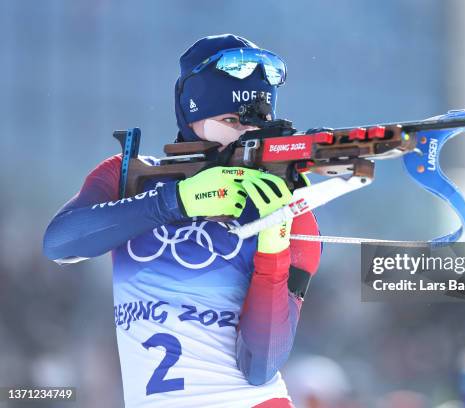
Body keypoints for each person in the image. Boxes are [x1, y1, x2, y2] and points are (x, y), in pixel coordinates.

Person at [43, 34, 321, 408]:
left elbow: (261, 364)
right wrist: (176, 201)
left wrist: (274, 247)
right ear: (191, 114)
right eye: (231, 120)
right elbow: (60, 243)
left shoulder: (287, 203)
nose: (247, 133)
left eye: (260, 123)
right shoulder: (129, 177)